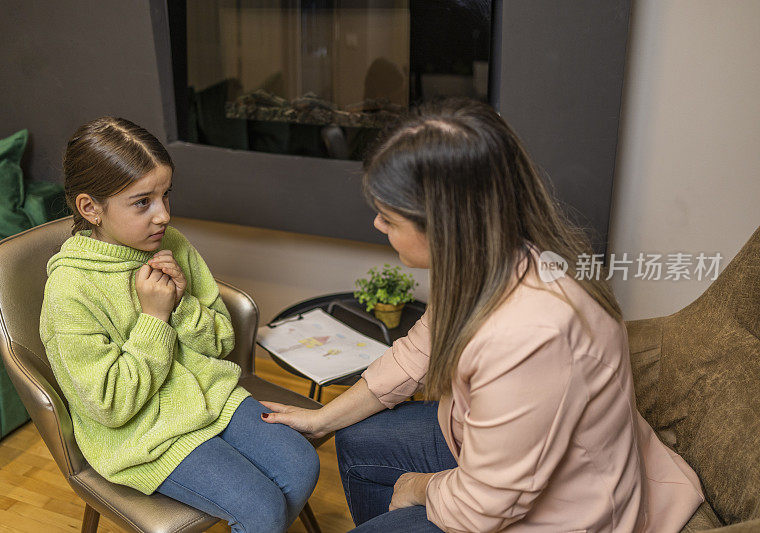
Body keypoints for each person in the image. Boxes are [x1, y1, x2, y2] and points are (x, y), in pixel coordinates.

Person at [260, 99, 705, 532]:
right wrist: (322, 418)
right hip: (489, 452)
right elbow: (417, 353)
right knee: (356, 437)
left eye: (389, 217)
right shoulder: (488, 260)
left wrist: (413, 488)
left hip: (559, 513)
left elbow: (483, 508)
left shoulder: (533, 335)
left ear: (447, 225)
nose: (378, 225)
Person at [38, 117, 319, 533]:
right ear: (90, 208)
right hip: (143, 434)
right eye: (142, 202)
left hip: (209, 396)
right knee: (259, 506)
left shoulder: (172, 245)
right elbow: (111, 406)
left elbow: (221, 343)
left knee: (302, 464)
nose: (163, 215)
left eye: (166, 195)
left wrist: (183, 304)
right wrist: (155, 318)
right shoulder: (70, 291)